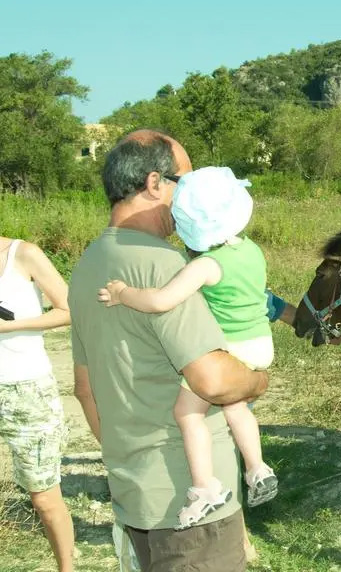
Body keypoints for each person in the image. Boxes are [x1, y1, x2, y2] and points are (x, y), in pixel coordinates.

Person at [69, 129, 267, 572]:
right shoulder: (166, 266)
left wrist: (133, 463)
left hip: (135, 498)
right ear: (156, 184)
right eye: (187, 182)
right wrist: (258, 380)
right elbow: (212, 380)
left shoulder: (87, 265)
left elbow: (85, 390)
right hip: (192, 505)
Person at [97, 166, 278, 529]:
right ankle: (258, 468)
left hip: (232, 349)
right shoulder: (252, 250)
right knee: (236, 408)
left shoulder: (207, 265)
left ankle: (205, 486)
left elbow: (161, 300)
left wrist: (123, 294)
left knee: (187, 414)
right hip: (261, 344)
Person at [0, 236, 76, 571]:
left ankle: (66, 567)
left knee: (44, 497)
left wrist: (9, 326)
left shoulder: (23, 253)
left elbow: (68, 310)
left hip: (26, 389)